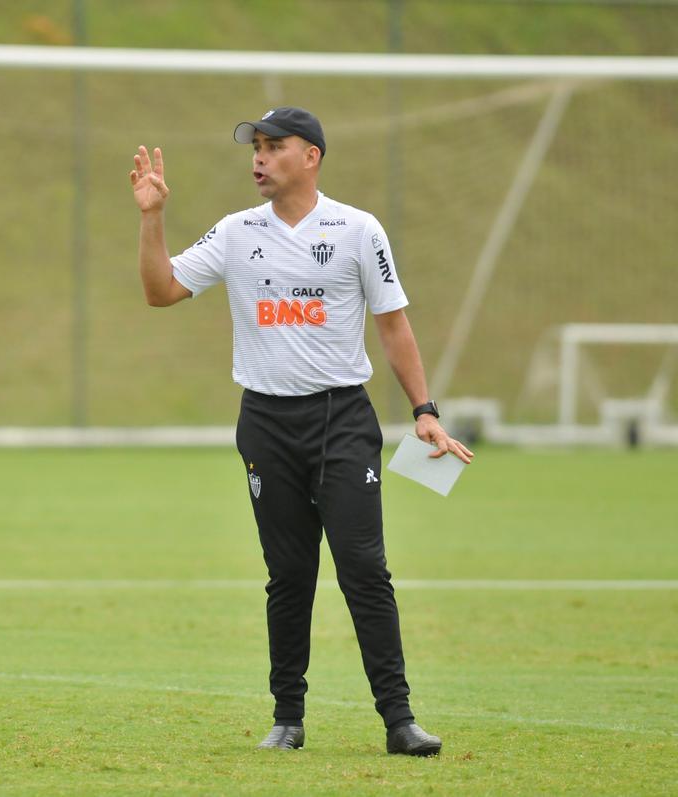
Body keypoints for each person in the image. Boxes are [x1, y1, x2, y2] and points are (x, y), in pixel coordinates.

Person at [128, 106, 474, 757]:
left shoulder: (357, 230)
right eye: (255, 148)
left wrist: (424, 408)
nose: (259, 158)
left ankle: (400, 721)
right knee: (288, 573)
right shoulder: (236, 232)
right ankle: (288, 718)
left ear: (311, 155)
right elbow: (160, 290)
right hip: (266, 423)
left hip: (341, 421)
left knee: (365, 568)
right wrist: (151, 217)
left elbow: (393, 323)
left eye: (273, 146)